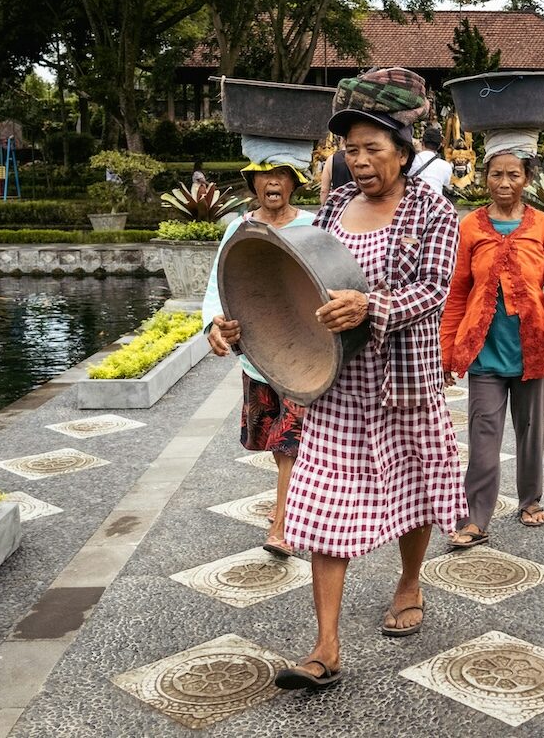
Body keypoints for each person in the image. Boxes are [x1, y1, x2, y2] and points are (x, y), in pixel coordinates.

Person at [273, 68, 465, 691]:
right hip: (335, 386)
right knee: (324, 505)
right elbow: (294, 279)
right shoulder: (330, 209)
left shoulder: (433, 211)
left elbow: (432, 291)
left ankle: (408, 583)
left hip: (405, 384)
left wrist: (370, 307)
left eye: (372, 149)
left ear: (405, 152)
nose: (358, 162)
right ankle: (325, 646)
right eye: (349, 150)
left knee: (415, 490)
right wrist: (239, 323)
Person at [439, 147, 544, 547]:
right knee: (483, 434)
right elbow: (456, 293)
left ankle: (530, 499)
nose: (504, 183)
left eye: (513, 175)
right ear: (485, 178)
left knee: (531, 430)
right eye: (496, 175)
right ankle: (475, 518)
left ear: (527, 180)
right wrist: (447, 352)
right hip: (484, 350)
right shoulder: (469, 226)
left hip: (533, 348)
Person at [203, 158, 315, 558]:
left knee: (291, 438)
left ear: (293, 184)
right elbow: (219, 282)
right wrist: (213, 327)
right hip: (257, 352)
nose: (273, 183)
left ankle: (283, 523)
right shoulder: (239, 228)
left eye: (282, 175)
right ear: (253, 184)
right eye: (264, 176)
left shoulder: (314, 227)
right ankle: (286, 498)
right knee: (273, 435)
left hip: (305, 355)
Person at [409, 127, 452, 196]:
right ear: (439, 146)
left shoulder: (411, 160)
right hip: (435, 203)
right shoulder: (446, 166)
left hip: (414, 202)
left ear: (422, 142)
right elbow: (446, 183)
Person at [318, 137, 352, 204]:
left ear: (341, 141)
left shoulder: (331, 159)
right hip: (360, 205)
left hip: (338, 204)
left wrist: (323, 208)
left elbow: (324, 190)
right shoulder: (360, 157)